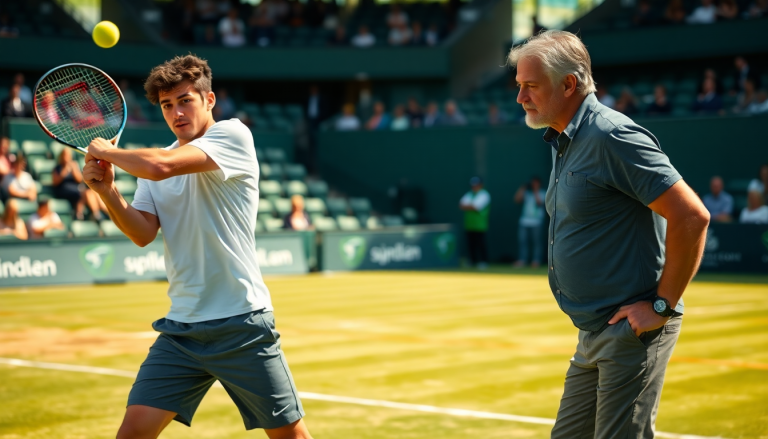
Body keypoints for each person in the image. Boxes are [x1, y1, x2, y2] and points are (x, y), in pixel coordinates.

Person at [80, 55, 312, 439]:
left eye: (185, 100)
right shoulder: (154, 163)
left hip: (241, 323)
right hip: (182, 330)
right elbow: (142, 233)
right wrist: (106, 191)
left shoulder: (233, 135)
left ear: (209, 100)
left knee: (291, 437)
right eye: (166, 105)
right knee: (132, 432)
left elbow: (161, 166)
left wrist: (106, 151)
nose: (176, 112)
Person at [509, 30, 710, 437]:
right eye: (519, 85)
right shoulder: (565, 139)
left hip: (629, 332)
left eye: (531, 86)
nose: (520, 97)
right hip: (593, 332)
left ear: (569, 84)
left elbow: (691, 215)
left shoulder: (612, 135)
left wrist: (660, 307)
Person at [53, 148, 105, 221]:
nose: (66, 157)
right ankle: (84, 213)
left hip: (76, 189)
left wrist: (74, 170)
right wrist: (64, 171)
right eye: (65, 155)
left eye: (68, 155)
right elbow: (55, 182)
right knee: (83, 192)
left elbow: (79, 180)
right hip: (63, 190)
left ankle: (93, 214)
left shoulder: (73, 165)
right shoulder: (57, 168)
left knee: (89, 192)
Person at [513, 176, 546, 268]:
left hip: (537, 222)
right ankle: (522, 260)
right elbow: (517, 199)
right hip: (524, 221)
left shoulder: (543, 193)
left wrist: (535, 191)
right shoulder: (526, 193)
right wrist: (523, 187)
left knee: (537, 242)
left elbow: (539, 203)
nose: (533, 185)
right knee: (523, 242)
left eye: (535, 183)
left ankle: (536, 261)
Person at [459, 176, 490, 269]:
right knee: (470, 244)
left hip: (480, 224)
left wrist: (469, 206)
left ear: (481, 185)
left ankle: (483, 261)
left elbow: (476, 207)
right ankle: (472, 261)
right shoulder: (469, 194)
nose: (474, 187)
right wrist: (471, 206)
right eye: (473, 185)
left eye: (476, 185)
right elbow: (461, 205)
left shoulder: (484, 194)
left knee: (480, 243)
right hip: (469, 224)